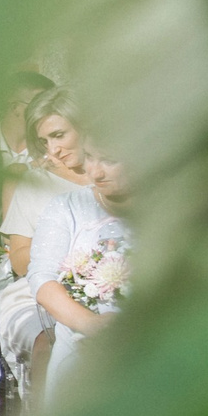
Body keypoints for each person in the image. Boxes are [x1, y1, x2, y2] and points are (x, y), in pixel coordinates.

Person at [0, 86, 91, 387]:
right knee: (48, 343)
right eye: (44, 141)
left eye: (59, 135)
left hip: (109, 280)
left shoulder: (115, 174)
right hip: (34, 288)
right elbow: (20, 259)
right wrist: (72, 261)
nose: (53, 149)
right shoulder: (33, 181)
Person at [29, 142, 132, 397]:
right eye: (89, 157)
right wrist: (93, 325)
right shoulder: (67, 206)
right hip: (82, 338)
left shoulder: (175, 206)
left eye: (108, 160)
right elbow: (42, 278)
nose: (95, 173)